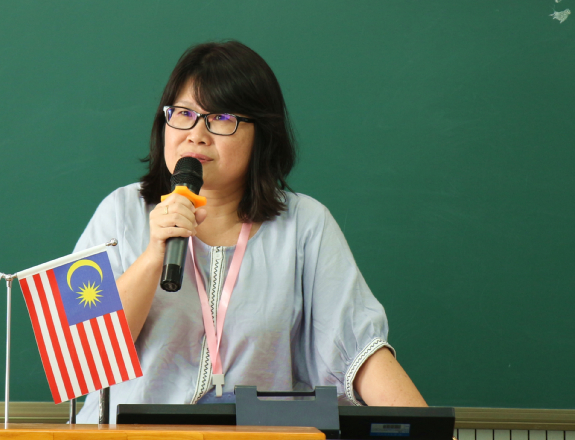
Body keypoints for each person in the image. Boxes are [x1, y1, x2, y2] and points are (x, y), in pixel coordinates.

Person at [73, 41, 426, 423]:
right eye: (184, 113)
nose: (196, 134)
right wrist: (153, 255)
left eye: (221, 117)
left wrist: (430, 432)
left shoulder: (305, 225)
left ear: (262, 132)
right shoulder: (119, 212)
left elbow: (360, 350)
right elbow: (80, 355)